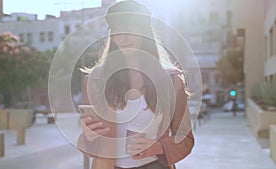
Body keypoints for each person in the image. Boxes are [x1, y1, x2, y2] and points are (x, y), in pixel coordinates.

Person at [77, 1, 194, 169]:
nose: (123, 38)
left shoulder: (172, 81)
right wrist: (88, 136)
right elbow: (89, 144)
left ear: (144, 32)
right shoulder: (96, 80)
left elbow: (186, 139)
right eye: (117, 31)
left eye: (130, 30)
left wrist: (158, 146)